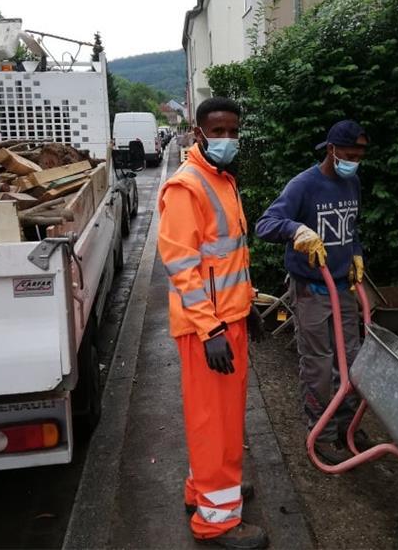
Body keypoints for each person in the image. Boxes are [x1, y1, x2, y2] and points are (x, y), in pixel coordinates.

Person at [158, 97, 268, 549]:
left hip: (228, 321)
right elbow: (182, 267)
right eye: (218, 130)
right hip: (209, 330)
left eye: (233, 131)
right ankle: (216, 522)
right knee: (213, 422)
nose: (227, 139)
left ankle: (206, 493)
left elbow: (228, 261)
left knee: (223, 420)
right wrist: (211, 330)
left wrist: (248, 306)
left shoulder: (221, 179)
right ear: (198, 132)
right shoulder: (188, 187)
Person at [255, 120, 370, 466]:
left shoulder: (352, 182)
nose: (355, 162)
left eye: (360, 156)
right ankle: (320, 429)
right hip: (311, 290)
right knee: (319, 366)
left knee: (351, 360)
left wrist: (356, 251)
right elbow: (265, 225)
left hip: (343, 289)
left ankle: (347, 425)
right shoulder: (303, 186)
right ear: (332, 150)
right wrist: (296, 229)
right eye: (349, 155)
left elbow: (350, 228)